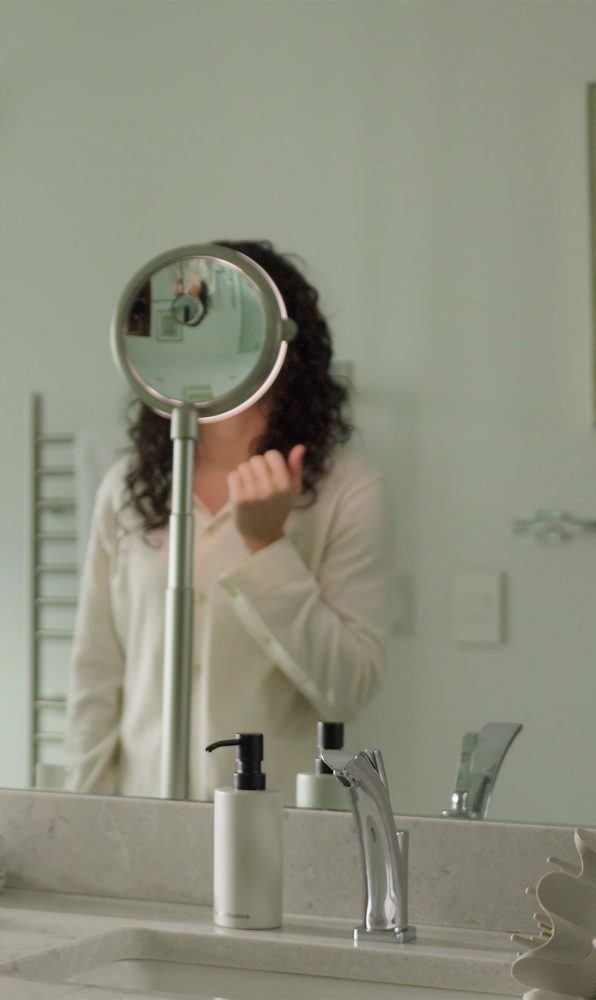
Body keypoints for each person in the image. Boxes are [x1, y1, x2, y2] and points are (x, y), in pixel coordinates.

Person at [68, 240, 390, 800]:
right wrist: (88, 822)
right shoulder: (126, 490)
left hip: (283, 832)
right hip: (144, 823)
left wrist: (267, 547)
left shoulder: (347, 489)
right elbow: (95, 679)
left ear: (284, 340)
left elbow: (347, 689)